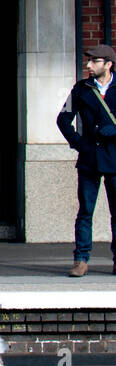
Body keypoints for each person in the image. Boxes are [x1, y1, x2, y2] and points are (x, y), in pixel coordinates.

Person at [57, 44, 116, 277]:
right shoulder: (81, 89)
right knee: (85, 212)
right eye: (88, 61)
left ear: (108, 64)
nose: (89, 65)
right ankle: (81, 259)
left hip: (114, 158)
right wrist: (79, 143)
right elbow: (63, 118)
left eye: (94, 61)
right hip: (90, 158)